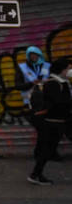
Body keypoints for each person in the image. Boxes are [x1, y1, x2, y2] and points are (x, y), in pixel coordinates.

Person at [28, 57, 71, 186]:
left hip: (61, 121)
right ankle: (35, 175)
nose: (70, 71)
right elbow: (57, 103)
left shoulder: (62, 82)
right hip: (53, 122)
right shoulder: (53, 83)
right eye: (68, 68)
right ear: (62, 70)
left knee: (47, 150)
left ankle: (36, 174)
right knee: (47, 150)